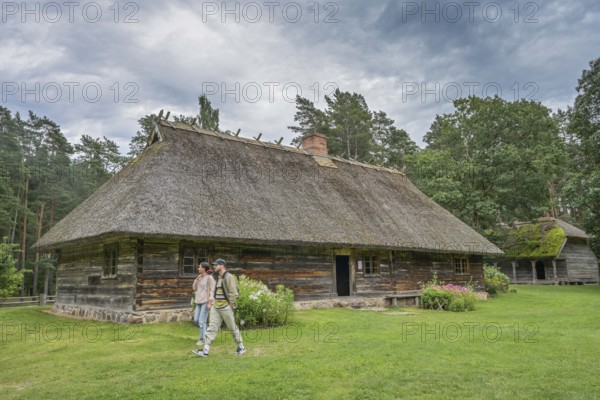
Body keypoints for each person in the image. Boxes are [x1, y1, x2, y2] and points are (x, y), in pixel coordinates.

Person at [193, 258, 246, 357]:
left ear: (221, 265)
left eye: (216, 265)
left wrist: (231, 305)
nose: (214, 267)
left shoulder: (229, 277)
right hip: (216, 307)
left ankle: (241, 347)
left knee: (232, 328)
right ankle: (205, 351)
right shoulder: (218, 277)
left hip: (226, 307)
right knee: (211, 328)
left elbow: (233, 292)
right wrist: (213, 302)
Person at [192, 262, 215, 346]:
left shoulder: (210, 278)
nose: (198, 268)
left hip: (205, 302)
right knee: (196, 320)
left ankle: (202, 339)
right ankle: (207, 333)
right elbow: (194, 288)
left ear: (204, 269)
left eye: (200, 267)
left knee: (202, 321)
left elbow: (212, 291)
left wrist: (210, 302)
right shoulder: (200, 277)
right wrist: (197, 279)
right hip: (198, 302)